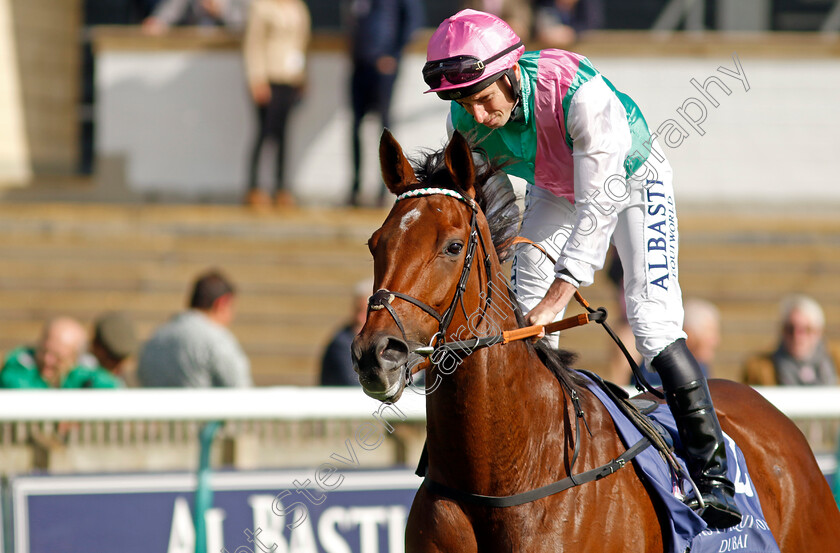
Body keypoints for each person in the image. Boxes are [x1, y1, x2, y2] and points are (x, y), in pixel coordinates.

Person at [422, 9, 740, 527]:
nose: (476, 115)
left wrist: (562, 292)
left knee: (651, 319)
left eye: (483, 98)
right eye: (464, 103)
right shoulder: (466, 119)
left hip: (630, 178)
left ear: (508, 74)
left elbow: (600, 203)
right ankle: (526, 456)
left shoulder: (579, 95)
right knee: (524, 317)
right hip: (556, 186)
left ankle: (713, 476)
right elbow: (480, 201)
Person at [347, 0, 423, 207]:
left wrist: (393, 55)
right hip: (360, 65)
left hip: (384, 67)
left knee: (384, 126)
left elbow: (413, 23)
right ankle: (355, 187)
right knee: (355, 125)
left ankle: (386, 187)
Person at [242, 0, 311, 208]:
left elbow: (302, 43)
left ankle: (281, 187)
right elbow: (253, 44)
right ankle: (254, 186)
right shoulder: (261, 7)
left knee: (284, 134)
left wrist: (302, 75)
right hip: (269, 76)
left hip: (289, 77)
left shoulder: (298, 8)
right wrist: (256, 78)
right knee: (264, 132)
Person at [137, 269, 253, 387]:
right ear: (221, 303)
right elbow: (240, 391)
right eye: (231, 308)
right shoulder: (216, 338)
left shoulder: (156, 338)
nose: (232, 317)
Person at [742, 294, 840, 386]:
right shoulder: (759, 369)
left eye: (806, 330)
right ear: (782, 330)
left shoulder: (835, 361)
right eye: (790, 329)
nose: (797, 336)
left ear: (818, 332)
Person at [0, 317, 89, 388]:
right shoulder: (16, 369)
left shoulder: (89, 377)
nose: (47, 360)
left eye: (58, 357)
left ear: (74, 359)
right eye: (43, 351)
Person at [63, 312, 139, 389]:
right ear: (96, 347)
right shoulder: (81, 376)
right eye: (112, 359)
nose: (118, 367)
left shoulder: (123, 380)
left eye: (121, 359)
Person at [319, 279, 371, 386]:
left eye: (368, 312)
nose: (360, 318)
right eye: (358, 310)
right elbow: (357, 386)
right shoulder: (342, 344)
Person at [141, 0, 251, 34]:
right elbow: (171, 9)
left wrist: (220, 12)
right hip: (194, 55)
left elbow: (247, 26)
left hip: (230, 57)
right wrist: (158, 21)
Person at [531, 0, 603, 49]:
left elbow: (593, 25)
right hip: (543, 50)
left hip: (585, 51)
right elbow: (532, 23)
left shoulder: (589, 4)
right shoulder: (542, 3)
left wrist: (572, 33)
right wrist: (541, 32)